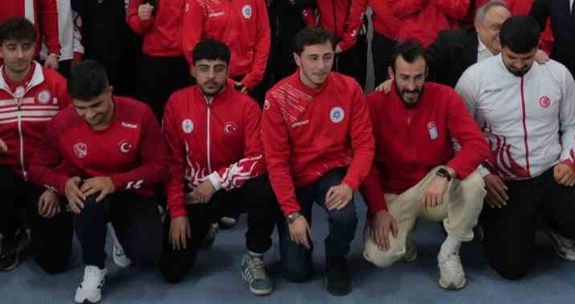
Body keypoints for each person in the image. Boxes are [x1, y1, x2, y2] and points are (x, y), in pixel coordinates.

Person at [455, 16, 575, 280]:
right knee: (513, 268)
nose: (518, 65)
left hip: (550, 171)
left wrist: (570, 161)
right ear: (500, 46)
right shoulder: (474, 79)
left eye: (526, 58)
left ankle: (552, 224)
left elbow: (573, 124)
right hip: (502, 181)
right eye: (511, 57)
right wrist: (482, 176)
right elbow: (458, 137)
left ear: (537, 47)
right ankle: (489, 221)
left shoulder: (558, 73)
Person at [30, 60, 166, 304]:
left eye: (96, 105)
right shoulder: (61, 122)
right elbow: (38, 167)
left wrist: (115, 181)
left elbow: (159, 167)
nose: (90, 115)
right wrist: (62, 184)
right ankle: (94, 267)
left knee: (147, 257)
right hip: (88, 193)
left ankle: (118, 232)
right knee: (86, 199)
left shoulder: (140, 113)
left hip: (130, 193)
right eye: (81, 108)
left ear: (109, 92)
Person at [360, 42, 489, 289]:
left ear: (426, 73)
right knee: (380, 257)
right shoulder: (373, 104)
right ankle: (404, 239)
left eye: (418, 77)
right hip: (393, 193)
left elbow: (477, 144)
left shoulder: (445, 96)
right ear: (390, 74)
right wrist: (378, 209)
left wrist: (446, 172)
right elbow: (366, 163)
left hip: (433, 185)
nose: (411, 86)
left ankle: (449, 252)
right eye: (404, 77)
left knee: (473, 183)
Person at [261, 27, 375, 295]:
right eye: (313, 58)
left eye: (327, 57)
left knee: (346, 215)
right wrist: (292, 213)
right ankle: (295, 241)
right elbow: (276, 162)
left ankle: (336, 256)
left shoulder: (349, 88)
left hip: (330, 173)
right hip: (294, 177)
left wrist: (349, 184)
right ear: (297, 59)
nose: (322, 66)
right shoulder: (278, 98)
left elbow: (365, 145)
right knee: (296, 273)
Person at [159, 39, 278, 294]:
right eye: (204, 68)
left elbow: (258, 158)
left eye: (218, 68)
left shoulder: (246, 105)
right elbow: (172, 163)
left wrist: (216, 181)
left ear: (228, 69)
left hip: (230, 188)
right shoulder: (176, 103)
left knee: (266, 189)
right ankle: (203, 228)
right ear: (193, 70)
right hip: (194, 194)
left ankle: (254, 256)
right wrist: (178, 211)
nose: (211, 76)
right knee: (172, 271)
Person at [0, 17, 73, 274]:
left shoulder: (56, 84)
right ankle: (12, 233)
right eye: (12, 47)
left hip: (46, 180)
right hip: (7, 176)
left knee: (55, 264)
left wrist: (55, 187)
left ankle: (38, 224)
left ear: (35, 48)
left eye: (26, 47)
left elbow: (76, 141)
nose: (20, 55)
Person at [425, 0, 511, 88]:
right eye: (496, 27)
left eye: (507, 27)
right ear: (478, 26)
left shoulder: (518, 48)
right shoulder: (451, 43)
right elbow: (422, 65)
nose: (502, 33)